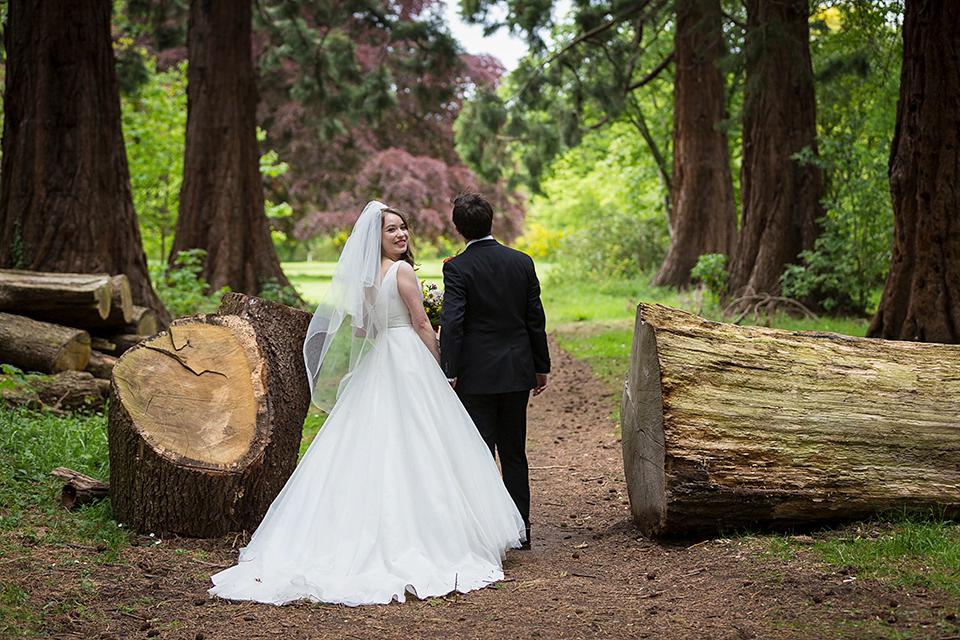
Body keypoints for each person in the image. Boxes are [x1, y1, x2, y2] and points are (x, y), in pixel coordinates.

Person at [209, 201, 525, 607]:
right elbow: (422, 323)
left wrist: (369, 360)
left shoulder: (365, 279)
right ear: (375, 237)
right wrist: (441, 368)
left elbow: (363, 330)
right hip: (408, 358)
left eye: (403, 228)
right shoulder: (404, 271)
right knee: (424, 441)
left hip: (381, 358)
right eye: (391, 230)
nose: (401, 235)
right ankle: (436, 536)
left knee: (376, 443)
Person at [438, 192, 551, 550]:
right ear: (491, 222)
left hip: (475, 375)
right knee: (515, 452)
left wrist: (449, 370)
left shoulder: (457, 267)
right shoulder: (521, 261)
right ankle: (521, 529)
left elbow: (453, 322)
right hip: (517, 370)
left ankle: (488, 532)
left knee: (481, 450)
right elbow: (535, 318)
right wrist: (540, 366)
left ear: (458, 228)